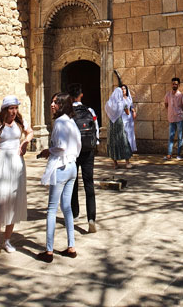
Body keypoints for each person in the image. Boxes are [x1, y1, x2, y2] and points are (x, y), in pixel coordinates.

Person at [0, 95, 33, 262]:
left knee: (14, 200)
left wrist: (26, 141)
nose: (14, 112)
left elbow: (30, 132)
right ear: (5, 109)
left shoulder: (19, 123)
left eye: (16, 108)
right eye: (11, 108)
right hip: (0, 163)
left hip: (16, 163)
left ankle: (7, 240)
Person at [37, 93, 81, 262]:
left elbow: (60, 146)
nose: (52, 105)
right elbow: (78, 145)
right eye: (51, 101)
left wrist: (49, 151)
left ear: (62, 105)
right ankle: (71, 246)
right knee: (67, 207)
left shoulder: (60, 122)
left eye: (56, 102)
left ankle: (48, 251)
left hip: (61, 167)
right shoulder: (71, 122)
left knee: (52, 209)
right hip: (71, 167)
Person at [68, 83, 99, 234]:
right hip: (88, 151)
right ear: (81, 95)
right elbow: (96, 127)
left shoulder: (68, 113)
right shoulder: (89, 110)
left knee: (73, 182)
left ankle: (75, 213)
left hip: (73, 152)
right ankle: (91, 218)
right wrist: (96, 143)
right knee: (89, 184)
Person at [105, 86, 133, 169]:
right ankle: (127, 162)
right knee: (123, 140)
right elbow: (127, 112)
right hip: (119, 123)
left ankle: (115, 164)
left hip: (111, 124)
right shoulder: (122, 103)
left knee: (113, 142)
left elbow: (107, 114)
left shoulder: (108, 103)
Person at [163, 77, 183, 160]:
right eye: (173, 84)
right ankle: (169, 154)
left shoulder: (181, 95)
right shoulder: (168, 94)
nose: (174, 85)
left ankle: (178, 155)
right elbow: (166, 104)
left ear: (178, 85)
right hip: (171, 118)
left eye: (176, 84)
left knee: (180, 137)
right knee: (171, 137)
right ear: (171, 84)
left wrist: (179, 111)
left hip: (179, 118)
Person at [121, 84, 137, 153]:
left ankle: (130, 149)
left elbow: (131, 106)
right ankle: (123, 150)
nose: (123, 90)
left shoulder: (129, 98)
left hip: (129, 118)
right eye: (122, 89)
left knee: (130, 134)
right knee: (123, 134)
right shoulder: (119, 99)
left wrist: (133, 111)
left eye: (124, 89)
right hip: (122, 118)